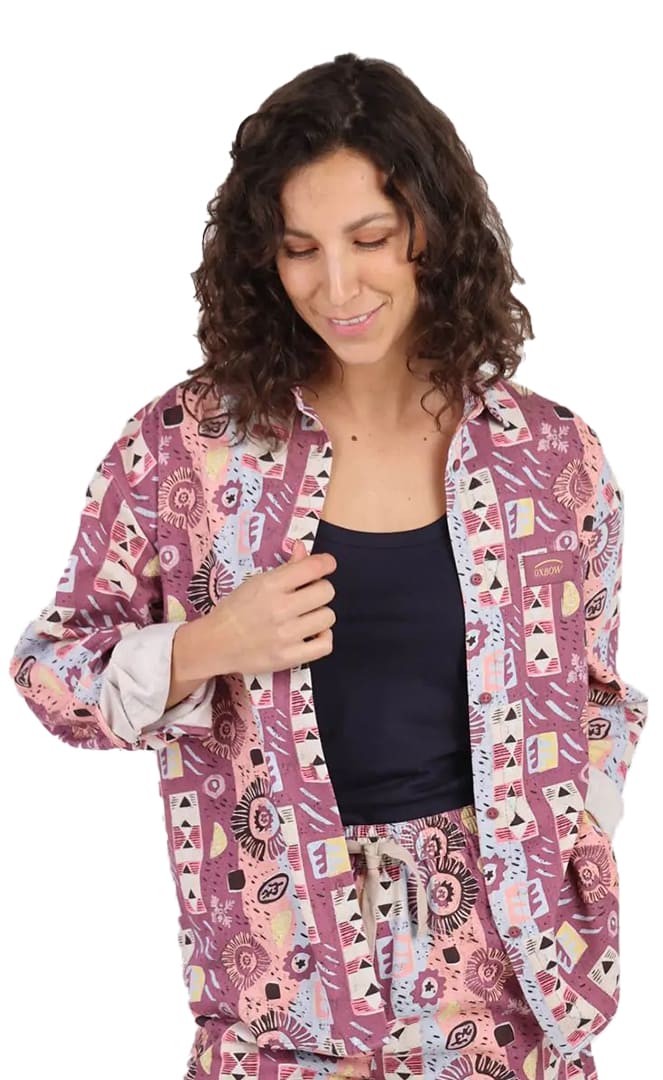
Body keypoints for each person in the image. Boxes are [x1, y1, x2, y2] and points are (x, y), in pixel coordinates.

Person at [8, 52, 647, 1080]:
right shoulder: (186, 449)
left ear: (433, 231)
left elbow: (600, 700)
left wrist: (574, 839)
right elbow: (49, 672)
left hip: (510, 1015)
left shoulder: (550, 456)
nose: (337, 286)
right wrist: (208, 646)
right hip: (285, 1011)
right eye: (300, 250)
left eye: (370, 239)